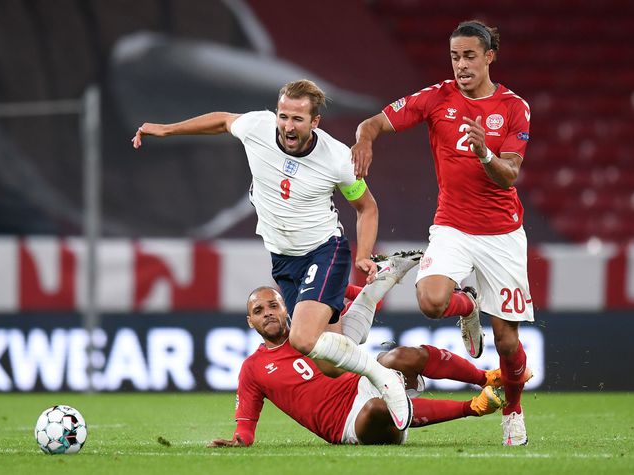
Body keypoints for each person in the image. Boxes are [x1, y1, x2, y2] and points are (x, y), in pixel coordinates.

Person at [132, 79, 411, 430]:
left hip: (325, 251)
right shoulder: (258, 127)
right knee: (331, 360)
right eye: (283, 116)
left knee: (302, 339)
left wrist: (363, 254)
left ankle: (384, 378)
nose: (287, 126)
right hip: (283, 259)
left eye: (297, 119)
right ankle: (373, 293)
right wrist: (167, 130)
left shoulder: (338, 157)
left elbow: (366, 208)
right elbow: (222, 120)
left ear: (315, 123)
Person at [351, 21, 534, 446]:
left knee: (507, 343)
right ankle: (465, 304)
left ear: (490, 56)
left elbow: (508, 176)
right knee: (431, 301)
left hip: (502, 234)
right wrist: (364, 141)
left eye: (470, 56)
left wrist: (484, 150)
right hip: (452, 225)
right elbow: (373, 122)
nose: (461, 65)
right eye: (455, 57)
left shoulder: (513, 107)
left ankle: (513, 410)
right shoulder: (436, 98)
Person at [208, 286, 510, 447]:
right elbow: (246, 426)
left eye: (273, 305)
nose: (268, 314)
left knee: (401, 356)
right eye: (259, 311)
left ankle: (486, 376)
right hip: (349, 423)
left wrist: (358, 288)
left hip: (364, 381)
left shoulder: (310, 327)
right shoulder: (253, 368)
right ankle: (474, 407)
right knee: (379, 407)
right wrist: (239, 441)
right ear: (250, 322)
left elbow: (363, 301)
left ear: (286, 307)